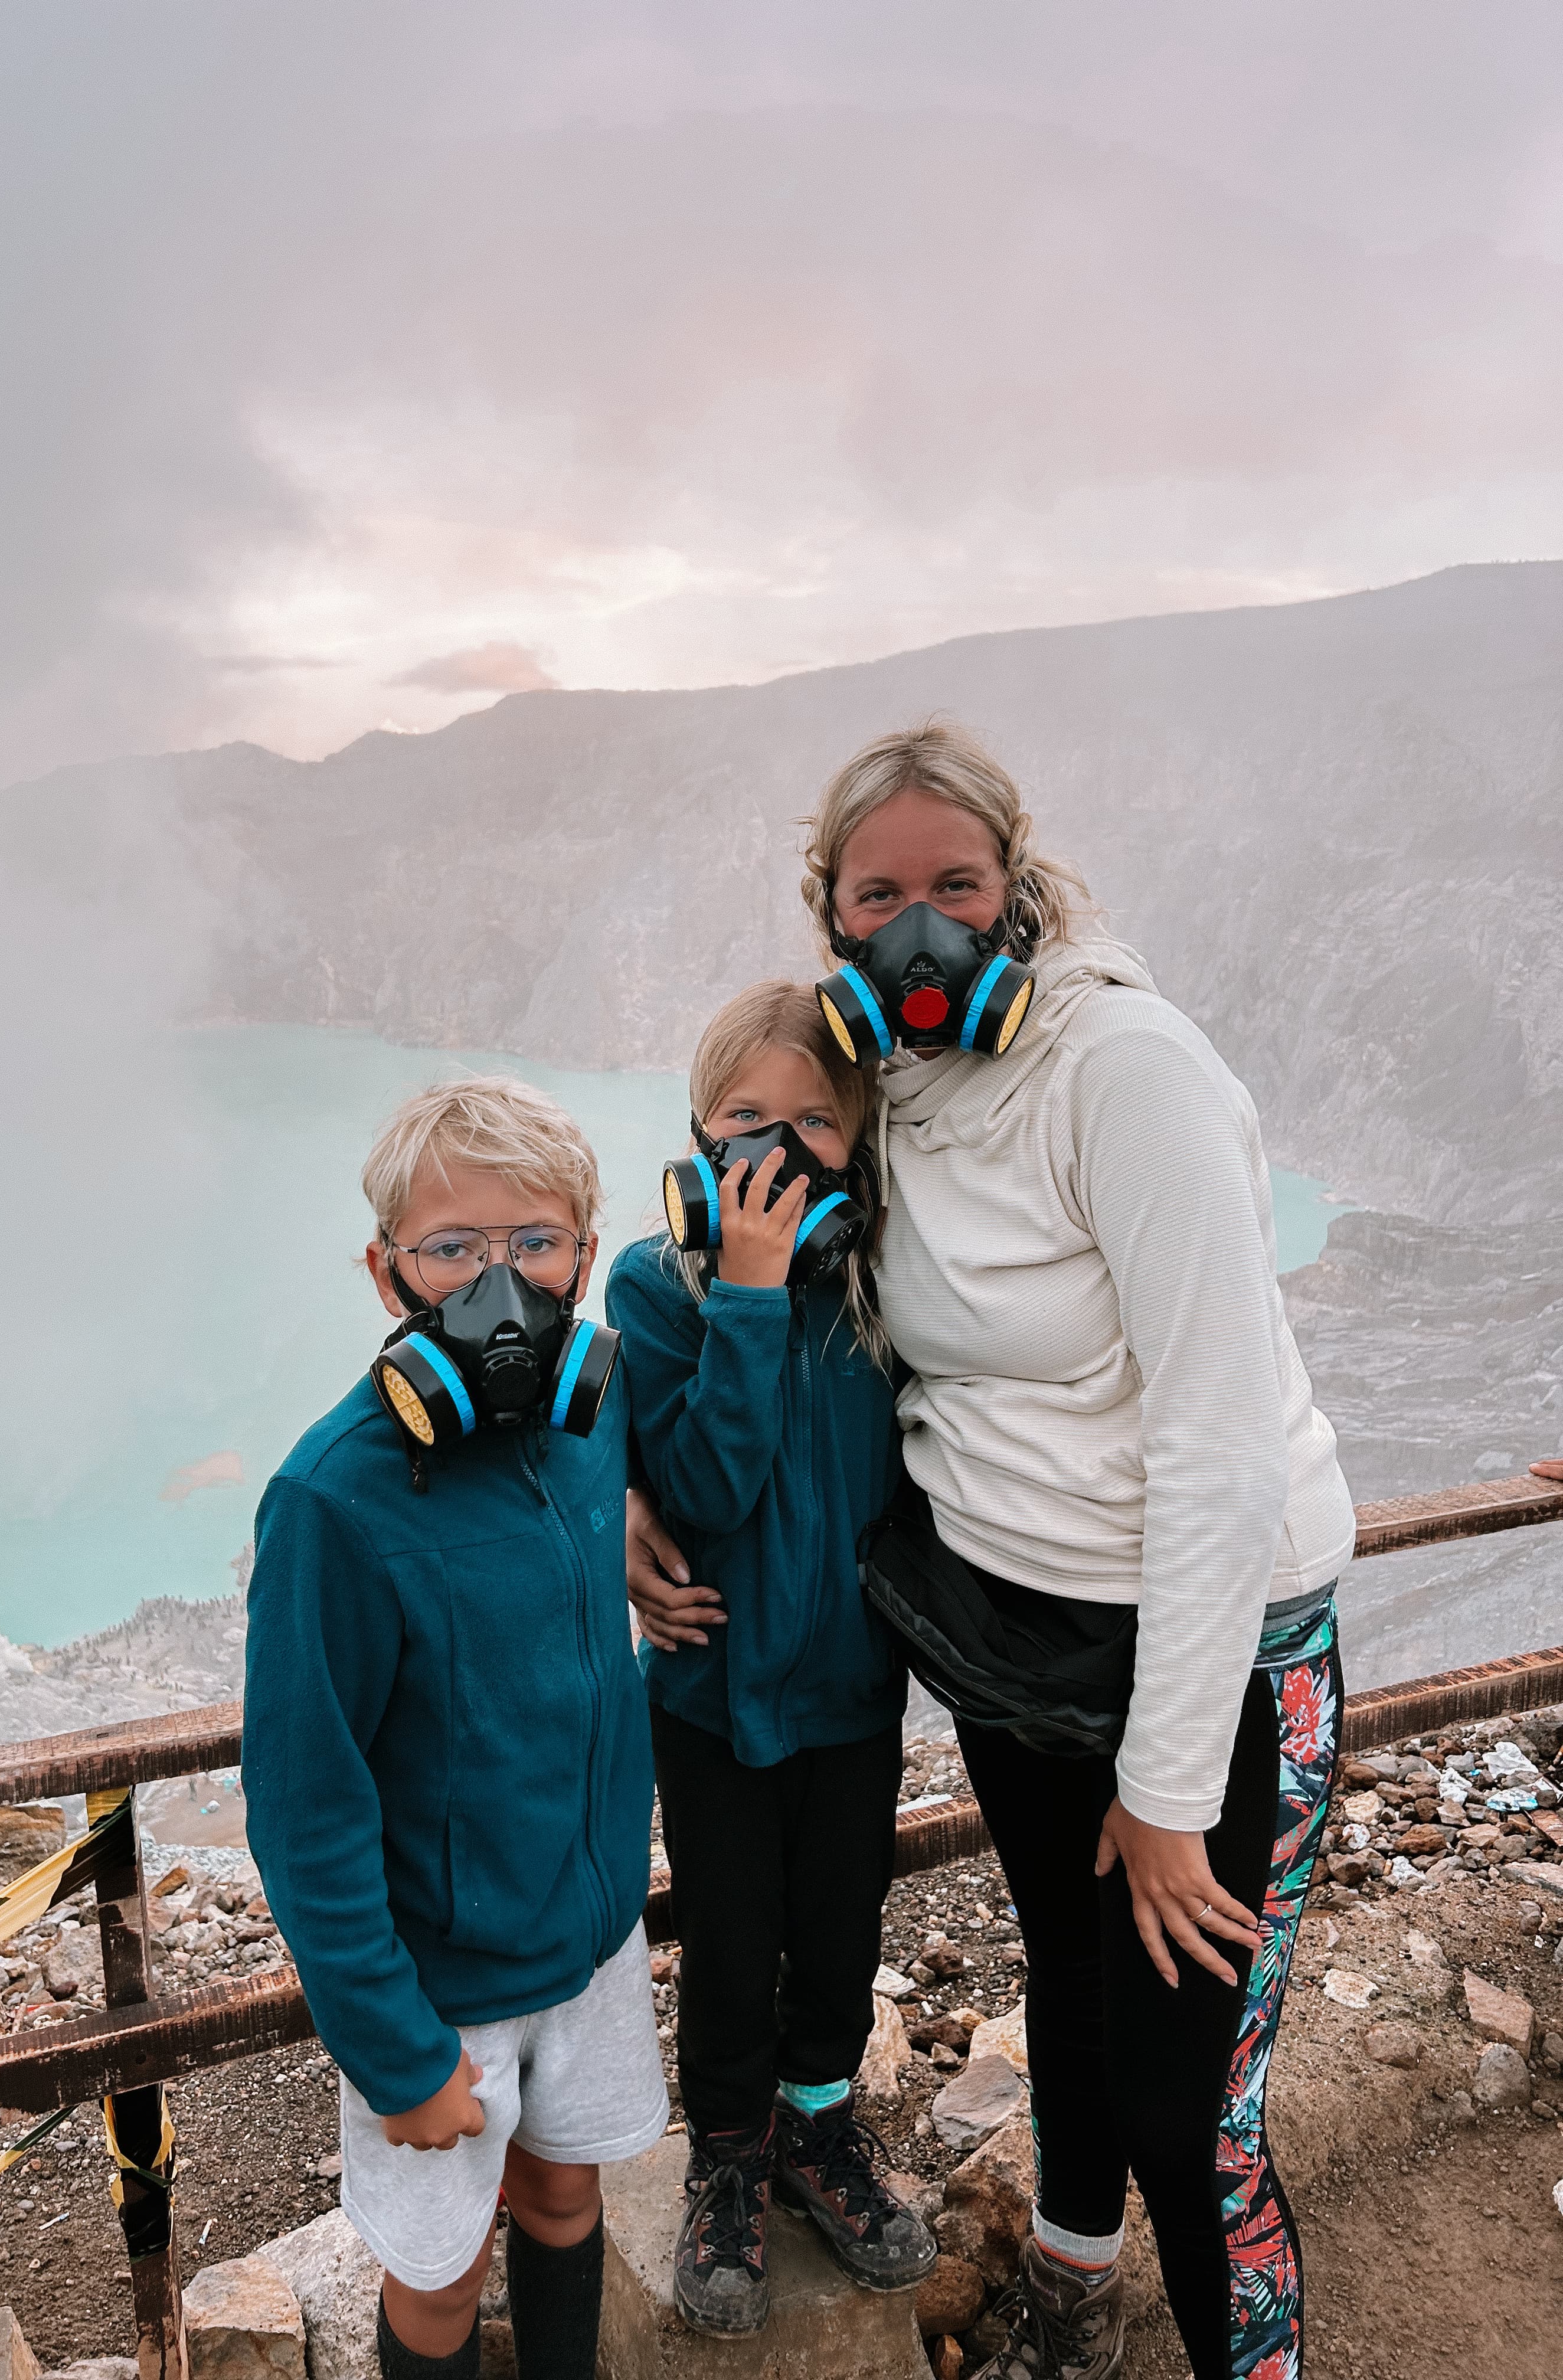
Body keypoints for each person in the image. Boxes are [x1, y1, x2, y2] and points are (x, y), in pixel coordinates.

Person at [628, 722, 1357, 2380]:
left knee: (1194, 2116)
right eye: (876, 893)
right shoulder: (891, 1088)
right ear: (832, 920)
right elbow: (747, 1299)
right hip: (1016, 1652)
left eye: (956, 883)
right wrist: (616, 1489)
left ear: (1016, 886)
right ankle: (1070, 2317)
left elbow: (1221, 1441)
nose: (920, 924)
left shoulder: (1129, 1071)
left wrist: (1167, 1790)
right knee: (1075, 2015)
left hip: (1212, 1659)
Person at [244, 1076, 666, 2380]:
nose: (503, 1283)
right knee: (436, 2274)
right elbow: (306, 1811)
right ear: (389, 1277)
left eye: (536, 1242)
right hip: (441, 1995)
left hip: (589, 1951)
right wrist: (400, 2056)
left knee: (565, 2203)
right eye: (453, 1251)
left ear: (587, 1255)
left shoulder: (595, 1430)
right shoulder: (332, 1499)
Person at [606, 980, 935, 2333]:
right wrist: (747, 1298)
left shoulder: (884, 1281)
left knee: (841, 1933)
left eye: (817, 1120)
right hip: (710, 1697)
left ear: (861, 1144)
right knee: (733, 1945)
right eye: (748, 1118)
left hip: (857, 1694)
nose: (782, 1149)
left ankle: (819, 2129)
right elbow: (705, 1492)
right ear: (697, 1134)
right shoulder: (657, 1282)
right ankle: (729, 2156)